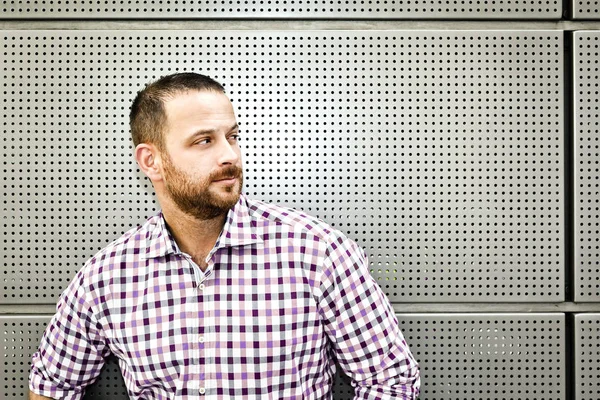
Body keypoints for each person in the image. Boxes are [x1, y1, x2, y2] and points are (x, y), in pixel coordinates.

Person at [29, 72, 420, 400]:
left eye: (232, 136)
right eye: (204, 141)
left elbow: (390, 382)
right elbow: (52, 385)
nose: (229, 155)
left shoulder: (318, 254)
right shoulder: (107, 278)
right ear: (152, 161)